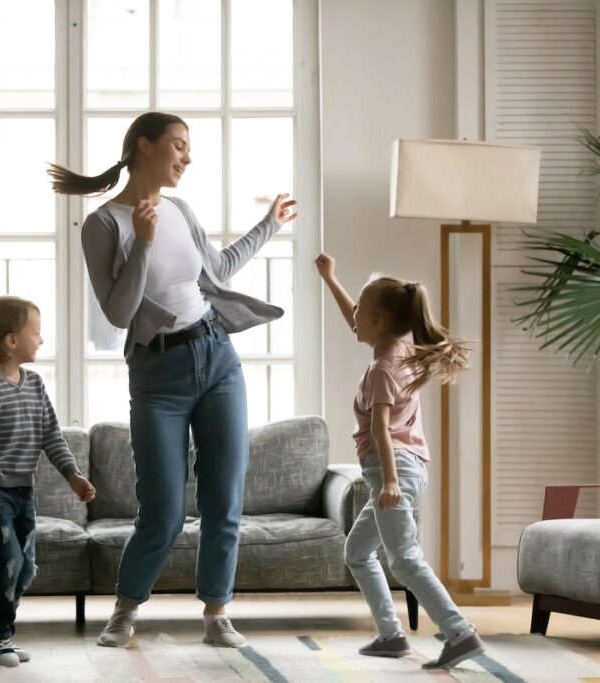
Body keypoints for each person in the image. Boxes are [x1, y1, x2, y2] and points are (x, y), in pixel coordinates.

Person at [47, 112, 296, 649]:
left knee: (224, 498)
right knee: (161, 508)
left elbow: (220, 269)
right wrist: (140, 241)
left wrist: (270, 223)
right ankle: (126, 608)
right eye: (178, 145)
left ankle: (216, 613)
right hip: (157, 373)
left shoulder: (181, 209)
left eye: (188, 147)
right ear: (145, 146)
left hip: (217, 356)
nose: (187, 156)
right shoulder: (103, 224)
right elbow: (117, 313)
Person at [314, 252, 485, 669]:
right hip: (401, 470)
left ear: (379, 324)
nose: (354, 314)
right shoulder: (398, 348)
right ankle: (391, 635)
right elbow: (355, 319)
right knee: (358, 551)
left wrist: (389, 481)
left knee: (405, 558)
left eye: (361, 309)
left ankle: (460, 632)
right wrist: (330, 278)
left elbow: (379, 432)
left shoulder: (382, 369)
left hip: (394, 471)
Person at [0, 295, 97, 667]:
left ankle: (2, 631)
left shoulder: (34, 385)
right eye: (36, 332)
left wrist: (73, 476)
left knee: (27, 566)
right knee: (8, 562)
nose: (42, 339)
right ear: (11, 341)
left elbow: (51, 435)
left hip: (24, 492)